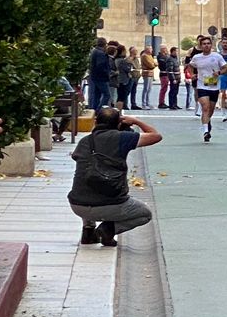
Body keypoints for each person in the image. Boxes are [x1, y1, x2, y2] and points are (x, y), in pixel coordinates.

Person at [67, 105, 163, 247]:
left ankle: (88, 232)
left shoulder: (85, 141)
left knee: (86, 183)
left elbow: (77, 158)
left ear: (95, 122)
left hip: (77, 205)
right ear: (119, 123)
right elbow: (156, 136)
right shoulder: (122, 138)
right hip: (110, 203)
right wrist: (136, 121)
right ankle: (107, 229)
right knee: (145, 214)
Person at [185, 35, 225, 142]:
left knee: (210, 110)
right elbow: (190, 65)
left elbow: (226, 67)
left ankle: (207, 122)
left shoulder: (217, 56)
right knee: (205, 107)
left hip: (214, 87)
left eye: (208, 44)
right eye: (204, 44)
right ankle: (205, 132)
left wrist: (219, 72)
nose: (206, 46)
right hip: (202, 86)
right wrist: (192, 74)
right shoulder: (197, 57)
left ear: (211, 45)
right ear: (201, 46)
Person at [85, 39, 112, 115]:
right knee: (106, 94)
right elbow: (100, 66)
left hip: (94, 76)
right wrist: (107, 73)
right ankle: (99, 110)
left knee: (97, 94)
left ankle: (94, 110)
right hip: (101, 77)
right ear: (104, 44)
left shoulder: (95, 51)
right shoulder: (101, 53)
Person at [159, 46, 181, 110]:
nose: (177, 52)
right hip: (174, 78)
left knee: (176, 92)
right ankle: (172, 104)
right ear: (173, 51)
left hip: (177, 77)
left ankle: (175, 104)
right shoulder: (170, 59)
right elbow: (170, 70)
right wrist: (173, 78)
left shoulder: (175, 58)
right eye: (176, 51)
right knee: (172, 91)